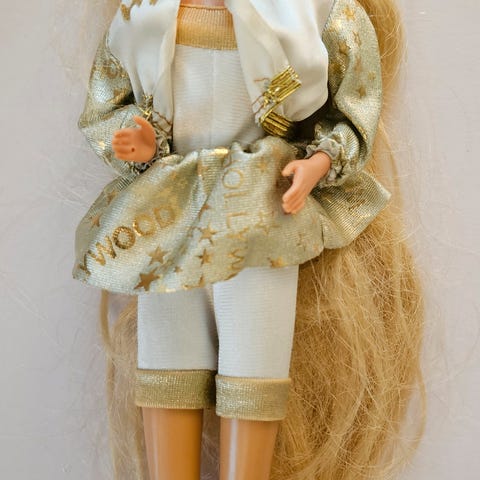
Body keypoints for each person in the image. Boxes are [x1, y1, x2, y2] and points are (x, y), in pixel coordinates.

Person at [73, 0, 426, 478]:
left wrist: (319, 162)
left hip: (261, 208)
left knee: (254, 371)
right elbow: (109, 102)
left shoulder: (316, 13)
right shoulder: (145, 14)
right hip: (171, 210)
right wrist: (143, 143)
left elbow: (352, 105)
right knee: (167, 367)